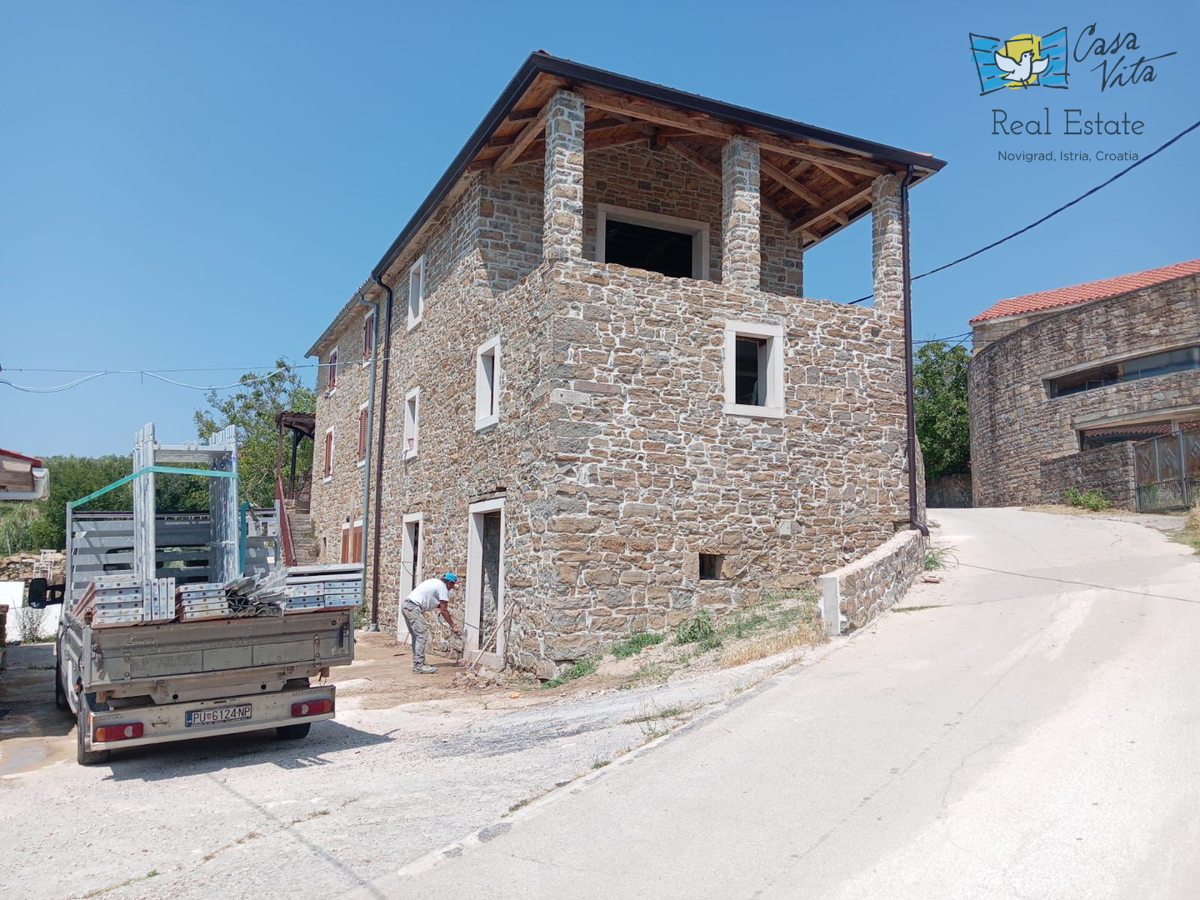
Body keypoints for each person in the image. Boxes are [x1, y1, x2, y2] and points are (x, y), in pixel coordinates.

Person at [401, 573, 461, 674]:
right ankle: (419, 665)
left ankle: (418, 662)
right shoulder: (443, 588)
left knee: (416, 636)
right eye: (452, 585)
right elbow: (444, 610)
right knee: (422, 634)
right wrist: (453, 626)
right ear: (449, 582)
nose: (451, 588)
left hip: (407, 606)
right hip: (414, 608)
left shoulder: (435, 582)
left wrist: (442, 608)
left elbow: (431, 600)